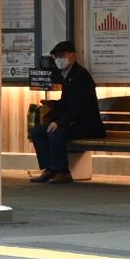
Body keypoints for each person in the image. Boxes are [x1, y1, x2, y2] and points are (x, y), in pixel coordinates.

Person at [28, 40, 105, 184]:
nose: (59, 59)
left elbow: (79, 106)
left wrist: (59, 122)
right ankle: (50, 169)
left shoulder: (81, 76)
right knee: (37, 132)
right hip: (72, 124)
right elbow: (66, 103)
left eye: (62, 55)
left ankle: (62, 172)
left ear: (73, 55)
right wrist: (53, 105)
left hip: (87, 125)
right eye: (57, 56)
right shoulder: (67, 75)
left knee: (55, 133)